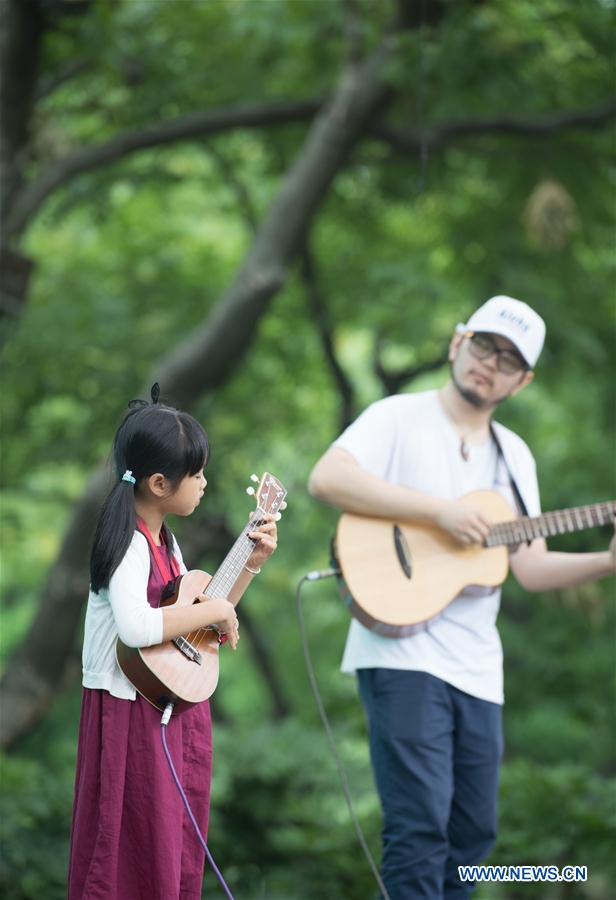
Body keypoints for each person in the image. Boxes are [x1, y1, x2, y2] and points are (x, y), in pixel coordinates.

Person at [308, 296, 615, 900]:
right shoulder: (398, 416)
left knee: (475, 838)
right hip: (401, 653)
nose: (489, 364)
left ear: (522, 381)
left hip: (477, 667)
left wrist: (607, 562)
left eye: (508, 360)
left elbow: (529, 567)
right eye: (484, 345)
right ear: (457, 342)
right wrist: (439, 512)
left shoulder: (514, 455)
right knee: (418, 828)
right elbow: (327, 479)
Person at [68, 385, 279, 900]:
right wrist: (215, 609)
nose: (205, 483)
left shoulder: (167, 540)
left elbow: (201, 617)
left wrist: (248, 564)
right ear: (160, 483)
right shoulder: (128, 544)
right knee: (126, 857)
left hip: (168, 708)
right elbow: (139, 629)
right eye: (198, 473)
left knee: (172, 852)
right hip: (128, 715)